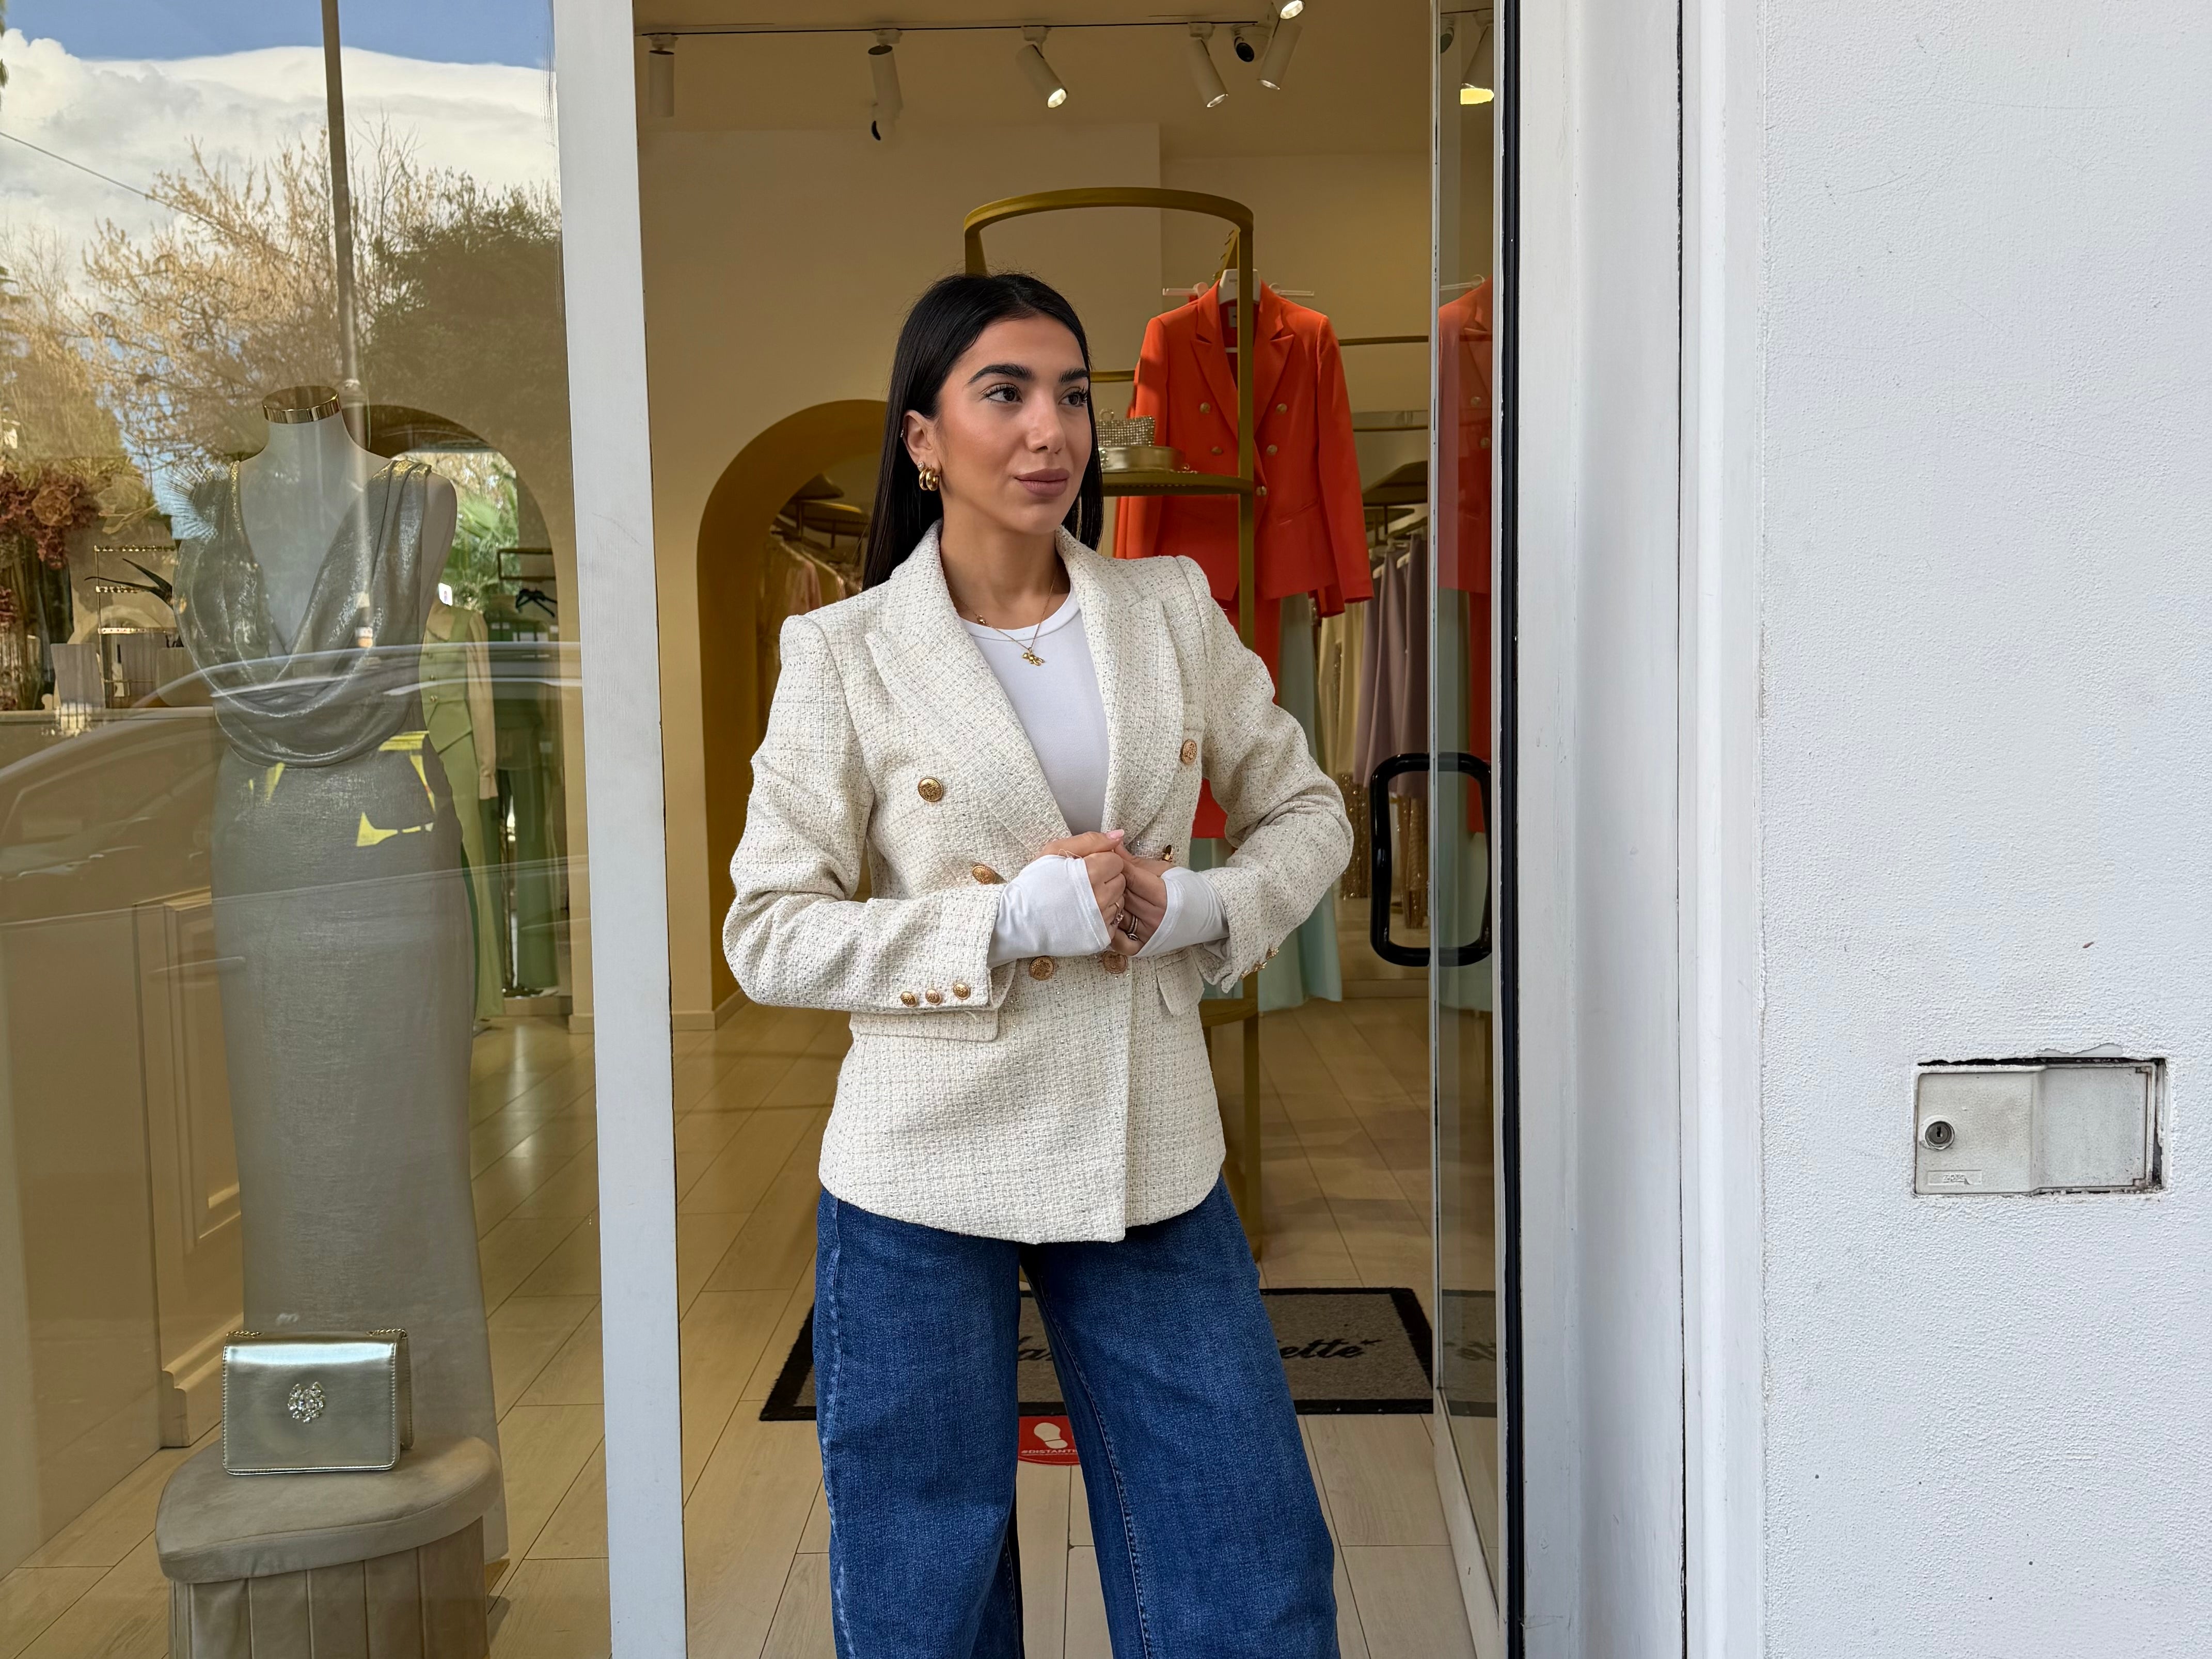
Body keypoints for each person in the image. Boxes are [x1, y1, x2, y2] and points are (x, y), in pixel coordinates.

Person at [725, 271, 1351, 1657]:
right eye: (1001, 393)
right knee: (925, 1587)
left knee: (1248, 1554)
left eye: (1071, 395)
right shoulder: (842, 651)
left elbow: (1309, 813)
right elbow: (767, 930)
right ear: (922, 438)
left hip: (1147, 1141)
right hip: (920, 1160)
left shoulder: (1168, 605)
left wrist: (1194, 908)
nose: (1047, 429)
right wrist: (1004, 925)